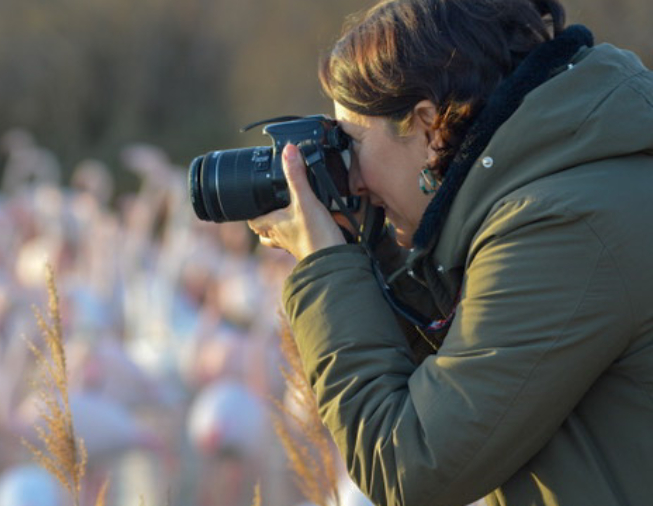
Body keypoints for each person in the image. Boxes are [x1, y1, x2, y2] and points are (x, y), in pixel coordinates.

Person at [246, 0, 653, 504]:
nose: (349, 176)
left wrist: (324, 268)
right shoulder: (567, 182)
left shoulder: (563, 223)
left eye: (352, 141)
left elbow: (408, 465)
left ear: (426, 124)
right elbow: (447, 388)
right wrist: (367, 243)